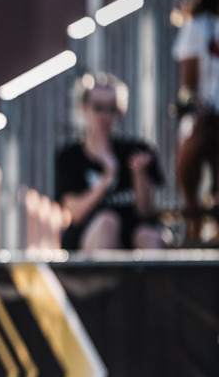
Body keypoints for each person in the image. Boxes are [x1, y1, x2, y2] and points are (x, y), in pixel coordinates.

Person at [55, 73, 166, 251]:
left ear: (120, 111)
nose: (105, 115)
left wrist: (139, 175)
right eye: (98, 107)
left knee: (148, 235)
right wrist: (107, 178)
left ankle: (156, 280)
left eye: (112, 108)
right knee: (108, 222)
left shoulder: (137, 151)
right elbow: (75, 214)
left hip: (133, 235)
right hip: (88, 240)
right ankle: (104, 280)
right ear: (84, 108)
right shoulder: (70, 156)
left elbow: (146, 213)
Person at [172, 0, 219, 245]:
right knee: (194, 137)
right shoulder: (198, 27)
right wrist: (198, 109)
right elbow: (188, 87)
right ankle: (193, 212)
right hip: (206, 113)